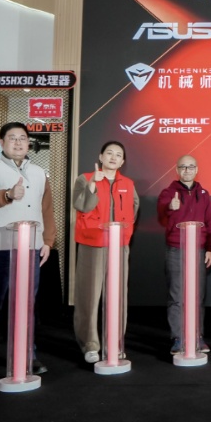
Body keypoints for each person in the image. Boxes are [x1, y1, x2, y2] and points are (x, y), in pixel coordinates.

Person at [0, 122, 54, 383]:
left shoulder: (39, 173)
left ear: (29, 143)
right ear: (2, 143)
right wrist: (7, 194)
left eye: (22, 138)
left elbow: (46, 209)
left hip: (30, 245)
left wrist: (47, 240)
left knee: (26, 303)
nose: (18, 143)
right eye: (12, 138)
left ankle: (27, 355)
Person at [73, 141, 138, 363]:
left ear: (122, 161)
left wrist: (125, 233)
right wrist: (93, 184)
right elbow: (81, 205)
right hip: (92, 243)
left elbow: (134, 208)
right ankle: (90, 344)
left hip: (119, 245)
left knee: (118, 295)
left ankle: (115, 343)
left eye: (118, 155)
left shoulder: (128, 184)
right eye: (109, 153)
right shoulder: (85, 178)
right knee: (89, 295)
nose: (113, 157)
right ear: (101, 157)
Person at [157, 154, 211, 354]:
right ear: (177, 170)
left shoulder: (204, 194)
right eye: (183, 167)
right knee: (177, 296)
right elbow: (161, 217)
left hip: (198, 250)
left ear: (196, 170)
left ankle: (197, 336)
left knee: (197, 296)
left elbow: (210, 225)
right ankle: (178, 337)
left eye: (191, 167)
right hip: (176, 249)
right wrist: (169, 207)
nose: (187, 170)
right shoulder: (168, 193)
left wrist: (210, 249)